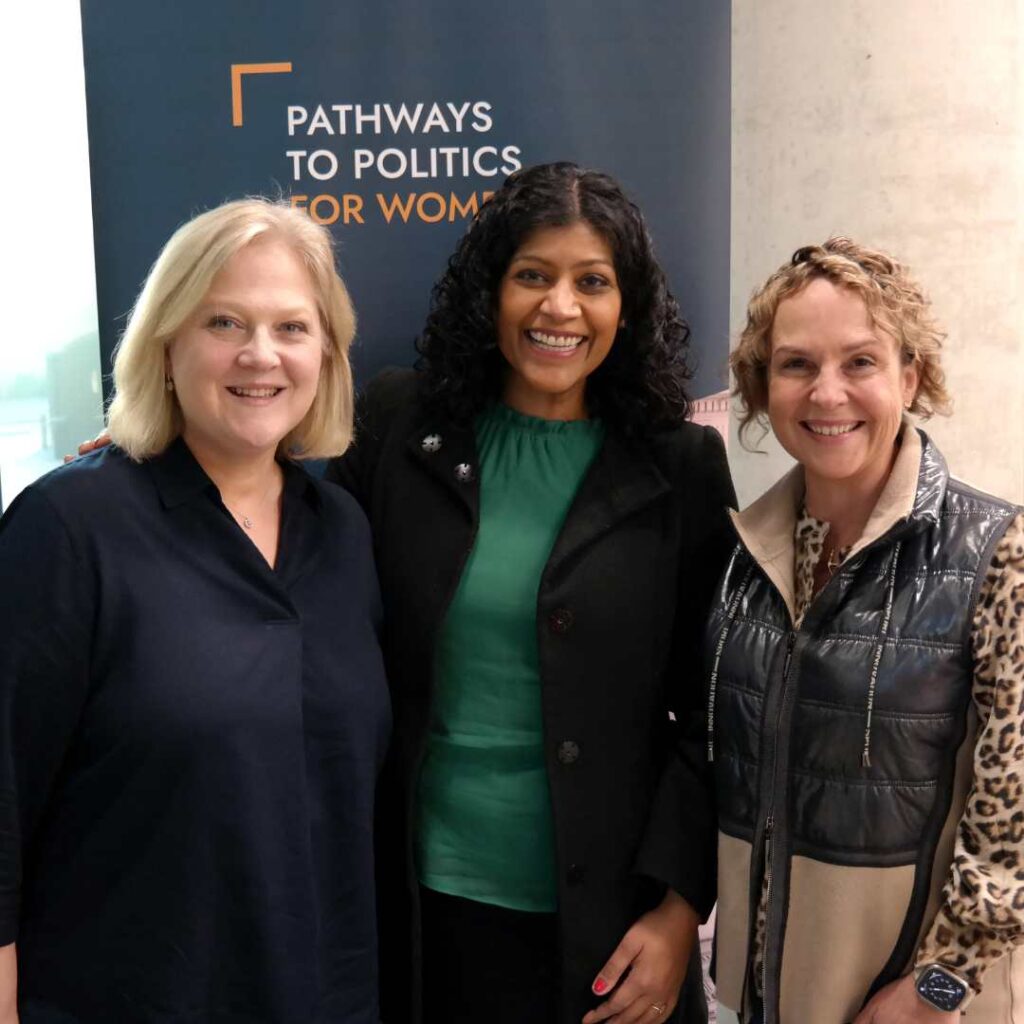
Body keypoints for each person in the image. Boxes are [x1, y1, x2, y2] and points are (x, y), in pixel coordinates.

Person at [327, 162, 736, 1024]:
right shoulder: (401, 426)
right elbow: (289, 546)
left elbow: (714, 712)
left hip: (609, 929)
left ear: (627, 307)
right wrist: (160, 456)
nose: (561, 308)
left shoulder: (678, 465)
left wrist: (677, 912)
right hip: (422, 909)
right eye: (532, 277)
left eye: (593, 282)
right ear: (491, 294)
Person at [0, 199, 390, 1023]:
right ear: (166, 345)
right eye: (225, 322)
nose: (261, 355)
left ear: (327, 351)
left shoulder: (344, 535)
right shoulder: (69, 529)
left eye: (292, 327)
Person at [710, 238, 1024, 1023]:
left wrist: (939, 986)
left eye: (860, 362)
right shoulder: (746, 560)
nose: (827, 394)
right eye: (795, 365)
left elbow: (1013, 819)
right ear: (761, 384)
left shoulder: (998, 555)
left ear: (909, 376)